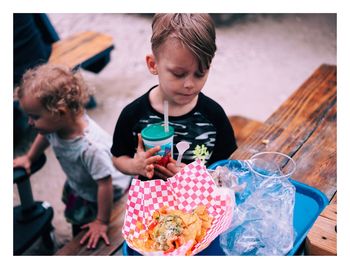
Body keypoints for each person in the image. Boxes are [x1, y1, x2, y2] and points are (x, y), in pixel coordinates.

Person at [13, 64, 131, 249]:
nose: (29, 123)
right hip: (83, 182)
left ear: (60, 112)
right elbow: (45, 136)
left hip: (107, 191)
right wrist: (29, 157)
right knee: (79, 221)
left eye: (34, 117)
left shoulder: (90, 148)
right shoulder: (56, 125)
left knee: (89, 233)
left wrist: (101, 221)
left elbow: (105, 184)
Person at [111, 13, 237, 180]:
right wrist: (135, 165)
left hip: (197, 202)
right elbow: (118, 158)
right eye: (179, 74)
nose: (190, 84)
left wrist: (194, 177)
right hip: (151, 200)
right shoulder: (133, 115)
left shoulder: (213, 116)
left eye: (200, 74)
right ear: (153, 64)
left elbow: (227, 164)